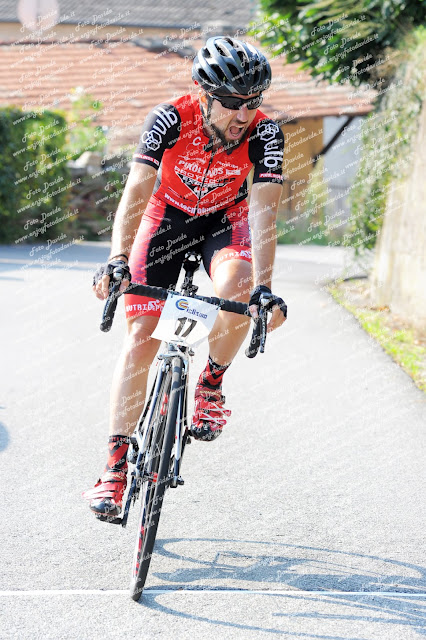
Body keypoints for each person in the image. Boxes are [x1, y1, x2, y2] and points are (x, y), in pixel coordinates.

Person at [83, 36, 287, 517]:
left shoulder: (265, 134)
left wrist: (265, 289)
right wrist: (116, 258)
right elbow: (137, 187)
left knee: (238, 292)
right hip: (167, 216)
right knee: (140, 336)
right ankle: (114, 466)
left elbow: (264, 213)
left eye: (252, 102)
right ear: (203, 93)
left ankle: (211, 382)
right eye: (233, 103)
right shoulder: (170, 118)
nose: (243, 114)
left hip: (226, 219)